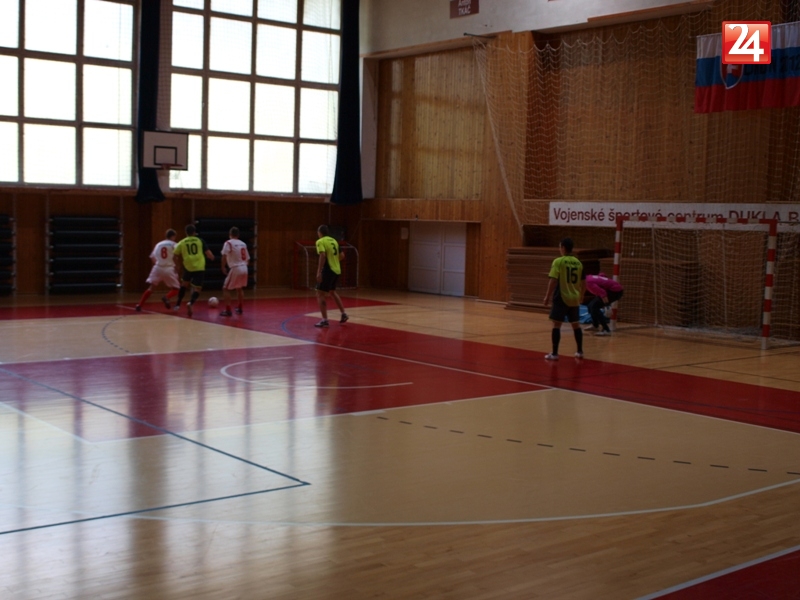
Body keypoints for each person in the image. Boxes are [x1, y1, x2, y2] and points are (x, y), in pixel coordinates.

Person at [542, 237, 586, 360]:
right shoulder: (578, 263)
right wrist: (581, 296)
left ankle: (555, 353)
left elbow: (553, 280)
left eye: (560, 247)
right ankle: (580, 351)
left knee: (556, 325)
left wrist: (547, 296)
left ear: (563, 248)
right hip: (574, 298)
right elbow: (584, 282)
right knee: (576, 325)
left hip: (562, 296)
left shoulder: (558, 261)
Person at [172, 224, 214, 317]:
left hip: (188, 266)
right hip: (199, 267)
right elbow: (208, 253)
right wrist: (211, 257)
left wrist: (177, 265)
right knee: (198, 288)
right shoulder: (200, 240)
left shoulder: (182, 242)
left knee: (184, 285)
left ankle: (177, 304)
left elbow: (175, 255)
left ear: (186, 233)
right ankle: (190, 303)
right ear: (194, 232)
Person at [135, 229, 180, 312]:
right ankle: (166, 297)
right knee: (176, 289)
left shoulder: (158, 244)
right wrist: (177, 266)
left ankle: (139, 305)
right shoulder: (174, 244)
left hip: (157, 268)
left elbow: (152, 257)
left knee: (151, 288)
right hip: (169, 268)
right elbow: (176, 256)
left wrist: (159, 264)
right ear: (173, 236)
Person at [314, 224, 348, 327]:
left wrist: (319, 271)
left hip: (328, 270)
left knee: (320, 293)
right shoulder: (334, 241)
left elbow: (322, 255)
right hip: (336, 270)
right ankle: (343, 313)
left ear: (319, 233)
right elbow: (342, 256)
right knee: (332, 292)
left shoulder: (320, 241)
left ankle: (325, 320)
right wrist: (334, 261)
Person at [219, 226, 250, 317]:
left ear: (230, 234)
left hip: (236, 267)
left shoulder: (228, 243)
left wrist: (223, 267)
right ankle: (240, 308)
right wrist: (243, 266)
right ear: (238, 235)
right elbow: (248, 259)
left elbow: (224, 256)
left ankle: (228, 310)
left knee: (225, 288)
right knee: (239, 288)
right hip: (244, 267)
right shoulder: (243, 244)